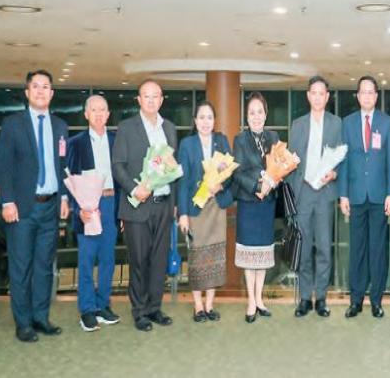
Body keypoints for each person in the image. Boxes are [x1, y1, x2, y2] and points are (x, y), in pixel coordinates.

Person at [0, 70, 70, 342]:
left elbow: (62, 166)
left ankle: (41, 317)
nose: (41, 91)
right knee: (21, 267)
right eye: (35, 86)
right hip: (21, 208)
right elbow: (3, 166)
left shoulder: (60, 126)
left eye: (45, 87)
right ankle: (23, 323)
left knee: (44, 266)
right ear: (27, 92)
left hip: (50, 206)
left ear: (52, 93)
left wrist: (64, 198)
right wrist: (7, 201)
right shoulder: (13, 124)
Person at [112, 79, 178, 332]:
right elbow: (118, 165)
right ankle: (139, 311)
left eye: (155, 96)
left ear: (161, 100)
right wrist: (134, 189)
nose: (151, 101)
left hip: (163, 204)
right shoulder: (127, 127)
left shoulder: (169, 128)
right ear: (139, 100)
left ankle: (154, 307)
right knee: (139, 260)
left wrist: (174, 204)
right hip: (137, 205)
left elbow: (172, 168)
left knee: (159, 260)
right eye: (146, 96)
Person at [338, 75, 390, 318]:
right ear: (358, 95)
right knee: (357, 251)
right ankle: (356, 300)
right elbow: (343, 161)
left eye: (371, 92)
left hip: (379, 195)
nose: (367, 96)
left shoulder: (385, 122)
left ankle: (376, 300)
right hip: (355, 197)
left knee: (378, 251)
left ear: (376, 95)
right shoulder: (348, 123)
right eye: (363, 92)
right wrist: (343, 194)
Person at [287, 76, 343, 318]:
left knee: (323, 248)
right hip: (303, 193)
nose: (318, 97)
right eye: (314, 93)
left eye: (322, 93)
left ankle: (320, 297)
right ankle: (304, 298)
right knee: (303, 248)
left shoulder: (336, 124)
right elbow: (291, 163)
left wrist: (335, 173)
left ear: (327, 97)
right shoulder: (297, 124)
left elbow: (342, 156)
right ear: (308, 96)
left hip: (325, 193)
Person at [67, 95, 122, 332]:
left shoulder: (116, 141)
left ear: (108, 114)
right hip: (88, 207)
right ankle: (87, 310)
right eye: (94, 110)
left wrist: (122, 211)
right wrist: (77, 208)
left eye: (103, 110)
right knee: (87, 260)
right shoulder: (76, 143)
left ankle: (102, 305)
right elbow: (70, 178)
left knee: (108, 259)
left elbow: (122, 176)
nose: (98, 114)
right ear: (86, 114)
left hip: (111, 204)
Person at [177, 101, 234, 323]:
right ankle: (198, 306)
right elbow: (182, 182)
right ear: (195, 120)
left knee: (215, 258)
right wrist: (183, 214)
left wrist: (221, 185)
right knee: (197, 257)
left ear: (214, 120)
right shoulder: (187, 144)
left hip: (216, 207)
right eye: (201, 117)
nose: (205, 122)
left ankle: (209, 305)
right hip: (196, 208)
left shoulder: (221, 141)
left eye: (209, 117)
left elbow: (230, 172)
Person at [232, 92, 280, 323]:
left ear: (265, 114)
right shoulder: (240, 140)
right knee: (249, 256)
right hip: (249, 204)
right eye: (252, 113)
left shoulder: (273, 137)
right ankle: (251, 301)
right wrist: (258, 186)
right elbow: (238, 173)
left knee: (262, 255)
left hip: (267, 205)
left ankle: (260, 298)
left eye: (260, 112)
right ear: (247, 116)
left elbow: (280, 165)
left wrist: (273, 182)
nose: (256, 116)